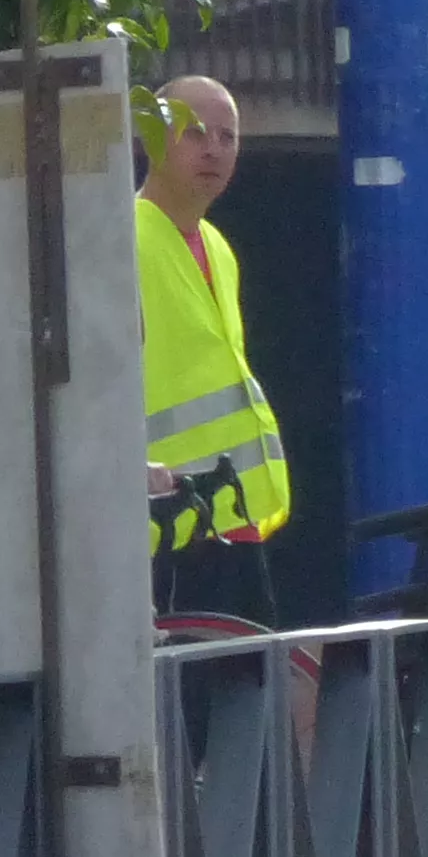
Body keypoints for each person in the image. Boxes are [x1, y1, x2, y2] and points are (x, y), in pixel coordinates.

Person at [133, 76, 290, 621]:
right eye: (195, 132)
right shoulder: (120, 238)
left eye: (228, 136)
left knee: (248, 692)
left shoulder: (218, 247)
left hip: (230, 516)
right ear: (154, 137)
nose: (214, 149)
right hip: (166, 526)